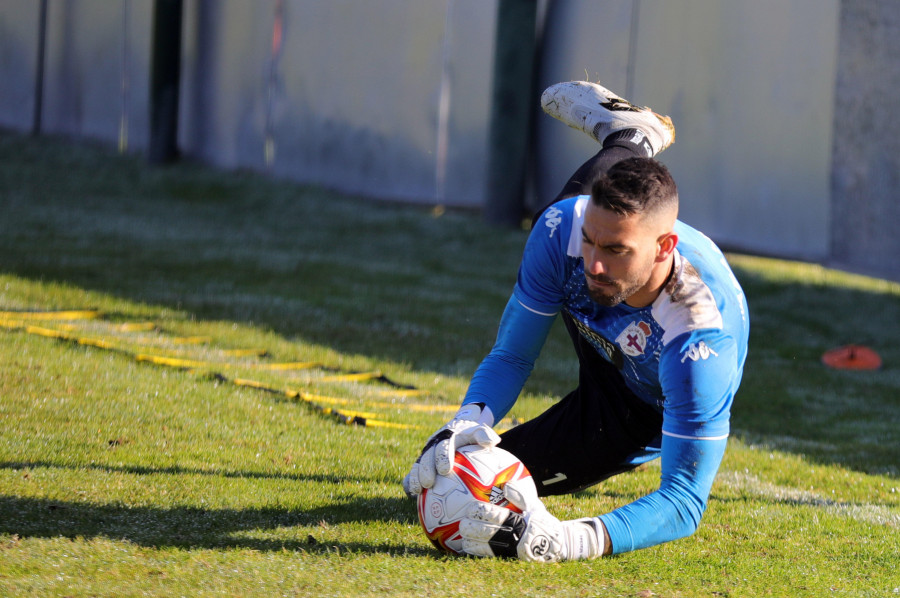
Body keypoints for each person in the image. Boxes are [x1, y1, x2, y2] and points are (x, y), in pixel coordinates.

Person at [404, 80, 750, 562]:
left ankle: (633, 138)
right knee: (462, 469)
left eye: (615, 249)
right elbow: (512, 353)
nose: (594, 263)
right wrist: (466, 421)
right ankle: (629, 138)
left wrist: (572, 540)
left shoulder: (698, 343)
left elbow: (685, 501)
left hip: (641, 397)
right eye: (591, 240)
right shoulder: (563, 233)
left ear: (664, 248)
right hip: (601, 315)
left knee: (500, 495)